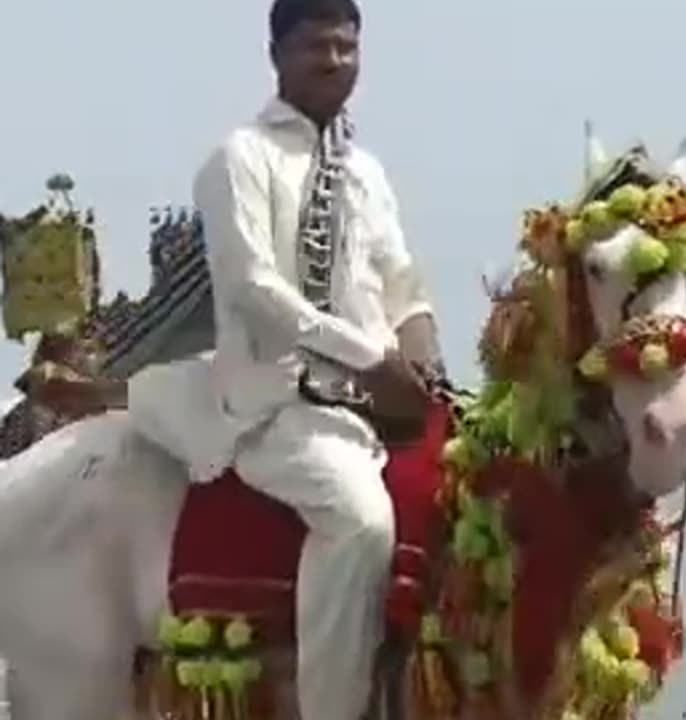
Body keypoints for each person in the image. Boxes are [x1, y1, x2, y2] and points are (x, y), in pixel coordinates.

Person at [188, 1, 440, 717]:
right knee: (360, 522)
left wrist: (420, 347)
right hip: (276, 406)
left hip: (377, 399)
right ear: (277, 56)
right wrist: (368, 360)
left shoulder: (366, 170)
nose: (334, 61)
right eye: (315, 47)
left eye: (346, 47)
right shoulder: (240, 157)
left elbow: (399, 279)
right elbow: (252, 288)